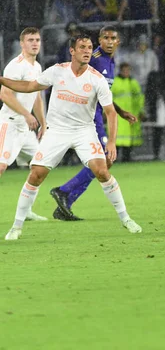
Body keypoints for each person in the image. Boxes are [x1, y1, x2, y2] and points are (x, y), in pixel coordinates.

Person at [1, 34, 142, 240]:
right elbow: (29, 87)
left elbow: (110, 112)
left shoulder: (96, 78)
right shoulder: (57, 71)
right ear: (72, 51)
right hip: (57, 131)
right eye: (82, 47)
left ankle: (126, 218)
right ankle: (16, 226)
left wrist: (111, 141)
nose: (87, 51)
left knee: (102, 171)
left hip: (84, 131)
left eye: (89, 47)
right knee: (36, 174)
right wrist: (2, 80)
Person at [50, 26, 138, 221]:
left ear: (118, 42)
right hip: (89, 118)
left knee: (104, 162)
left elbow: (102, 92)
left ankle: (66, 203)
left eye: (112, 38)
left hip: (96, 115)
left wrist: (120, 112)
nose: (108, 41)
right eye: (105, 37)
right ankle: (64, 192)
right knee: (104, 160)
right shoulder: (96, 59)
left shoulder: (110, 60)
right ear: (99, 39)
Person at [0, 28, 48, 222]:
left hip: (26, 129)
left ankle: (26, 210)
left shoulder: (37, 67)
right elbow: (4, 94)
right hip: (9, 124)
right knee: (1, 167)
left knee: (40, 166)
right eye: (30, 40)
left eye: (37, 40)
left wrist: (43, 124)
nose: (35, 43)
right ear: (22, 43)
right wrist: (27, 115)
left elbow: (37, 97)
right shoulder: (15, 66)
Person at [112, 63, 144, 162]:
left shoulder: (133, 82)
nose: (126, 72)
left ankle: (127, 158)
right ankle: (115, 158)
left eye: (128, 70)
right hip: (118, 113)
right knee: (117, 137)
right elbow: (108, 98)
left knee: (128, 138)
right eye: (125, 70)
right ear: (121, 71)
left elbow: (139, 97)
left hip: (130, 113)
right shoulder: (115, 82)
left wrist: (140, 110)